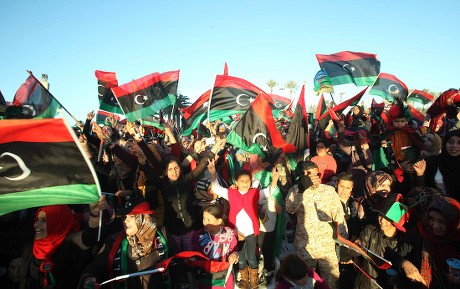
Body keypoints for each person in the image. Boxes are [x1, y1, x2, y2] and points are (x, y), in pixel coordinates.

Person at [0, 197, 106, 289]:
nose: (36, 224)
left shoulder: (68, 244)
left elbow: (88, 237)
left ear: (57, 222)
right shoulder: (28, 243)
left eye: (44, 220)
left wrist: (95, 214)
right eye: (37, 219)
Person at [79, 198, 186, 289]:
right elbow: (96, 266)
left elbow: (177, 264)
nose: (125, 221)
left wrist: (183, 284)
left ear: (144, 219)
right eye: (124, 217)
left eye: (131, 217)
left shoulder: (163, 236)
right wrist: (89, 277)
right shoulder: (113, 241)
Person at [208, 160, 279, 289]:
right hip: (236, 233)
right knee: (240, 259)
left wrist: (274, 179)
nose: (245, 183)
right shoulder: (231, 193)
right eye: (242, 181)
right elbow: (216, 188)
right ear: (236, 182)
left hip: (251, 232)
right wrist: (213, 174)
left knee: (252, 257)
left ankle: (254, 280)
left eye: (247, 181)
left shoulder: (255, 193)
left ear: (251, 182)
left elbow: (269, 191)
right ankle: (244, 280)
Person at [285, 161, 348, 289]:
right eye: (309, 175)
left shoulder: (329, 191)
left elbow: (339, 217)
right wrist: (302, 189)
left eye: (316, 174)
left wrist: (345, 245)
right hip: (304, 246)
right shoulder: (296, 190)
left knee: (331, 280)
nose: (314, 178)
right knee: (305, 282)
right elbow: (290, 208)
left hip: (327, 246)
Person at [396, 196, 460, 289]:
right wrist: (404, 264)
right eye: (431, 219)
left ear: (453, 221)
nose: (435, 226)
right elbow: (398, 256)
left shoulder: (457, 239)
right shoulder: (420, 232)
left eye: (441, 221)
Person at [349, 194, 410, 289]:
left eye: (388, 220)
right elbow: (354, 253)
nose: (382, 221)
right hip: (366, 284)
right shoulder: (370, 230)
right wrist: (355, 247)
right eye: (380, 216)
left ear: (395, 223)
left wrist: (397, 278)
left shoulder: (403, 240)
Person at [191, 204, 239, 289]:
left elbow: (235, 249)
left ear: (219, 221)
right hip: (206, 277)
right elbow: (195, 255)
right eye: (204, 218)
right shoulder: (198, 236)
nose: (204, 222)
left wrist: (234, 254)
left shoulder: (230, 233)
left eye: (209, 220)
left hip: (225, 275)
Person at [423, 129, 460, 201]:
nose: (454, 146)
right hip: (434, 206)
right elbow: (425, 186)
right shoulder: (433, 161)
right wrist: (419, 175)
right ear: (445, 143)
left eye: (459, 143)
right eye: (450, 142)